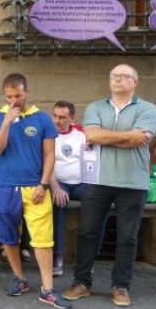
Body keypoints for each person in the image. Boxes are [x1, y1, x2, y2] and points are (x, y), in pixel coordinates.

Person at [62, 64, 156, 307]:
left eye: (124, 76)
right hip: (97, 180)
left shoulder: (147, 109)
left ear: (135, 82)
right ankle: (81, 283)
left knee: (127, 236)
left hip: (133, 182)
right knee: (87, 232)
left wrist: (106, 137)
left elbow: (139, 140)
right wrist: (127, 135)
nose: (118, 79)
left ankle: (121, 286)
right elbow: (91, 135)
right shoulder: (96, 107)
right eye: (114, 76)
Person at [0, 73, 70, 309]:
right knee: (8, 236)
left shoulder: (42, 118)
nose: (14, 100)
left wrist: (43, 184)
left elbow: (49, 155)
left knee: (43, 239)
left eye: (18, 95)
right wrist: (6, 122)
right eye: (9, 96)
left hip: (35, 186)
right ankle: (19, 278)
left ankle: (48, 289)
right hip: (4, 185)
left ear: (27, 92)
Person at [49, 101, 88, 276]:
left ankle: (86, 258)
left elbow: (91, 158)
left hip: (81, 183)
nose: (57, 120)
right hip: (59, 183)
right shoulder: (48, 134)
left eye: (62, 117)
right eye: (55, 116)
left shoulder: (81, 134)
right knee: (59, 205)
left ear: (71, 118)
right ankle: (57, 256)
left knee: (97, 203)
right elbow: (45, 163)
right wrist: (56, 187)